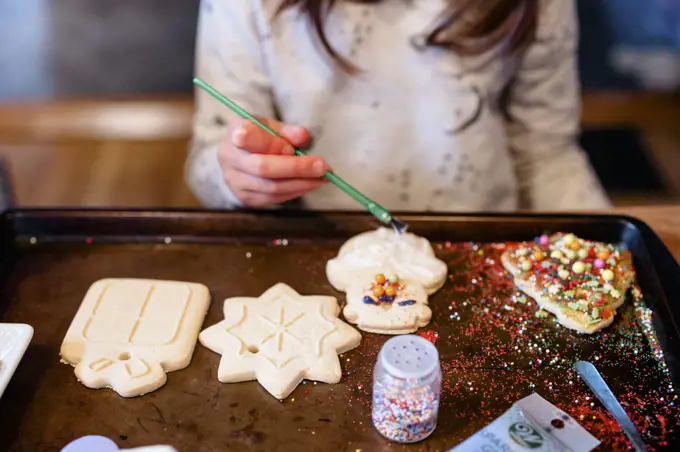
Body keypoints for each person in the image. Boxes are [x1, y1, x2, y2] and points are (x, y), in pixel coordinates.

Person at [187, 0, 610, 212]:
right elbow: (209, 161)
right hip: (317, 250)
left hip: (483, 243)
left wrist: (613, 257)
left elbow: (546, 152)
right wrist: (237, 175)